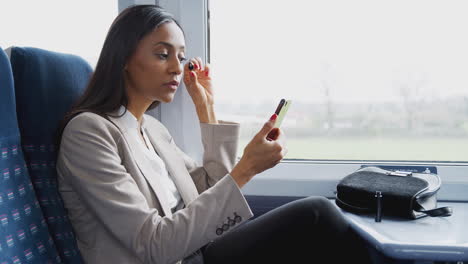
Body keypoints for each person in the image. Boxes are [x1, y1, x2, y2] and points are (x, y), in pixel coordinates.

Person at [56, 4, 372, 264]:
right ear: (124, 58)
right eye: (162, 54)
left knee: (319, 220)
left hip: (198, 253)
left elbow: (206, 191)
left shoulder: (152, 130)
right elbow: (154, 245)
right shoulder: (89, 132)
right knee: (317, 214)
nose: (177, 68)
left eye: (180, 57)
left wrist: (205, 108)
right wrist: (247, 167)